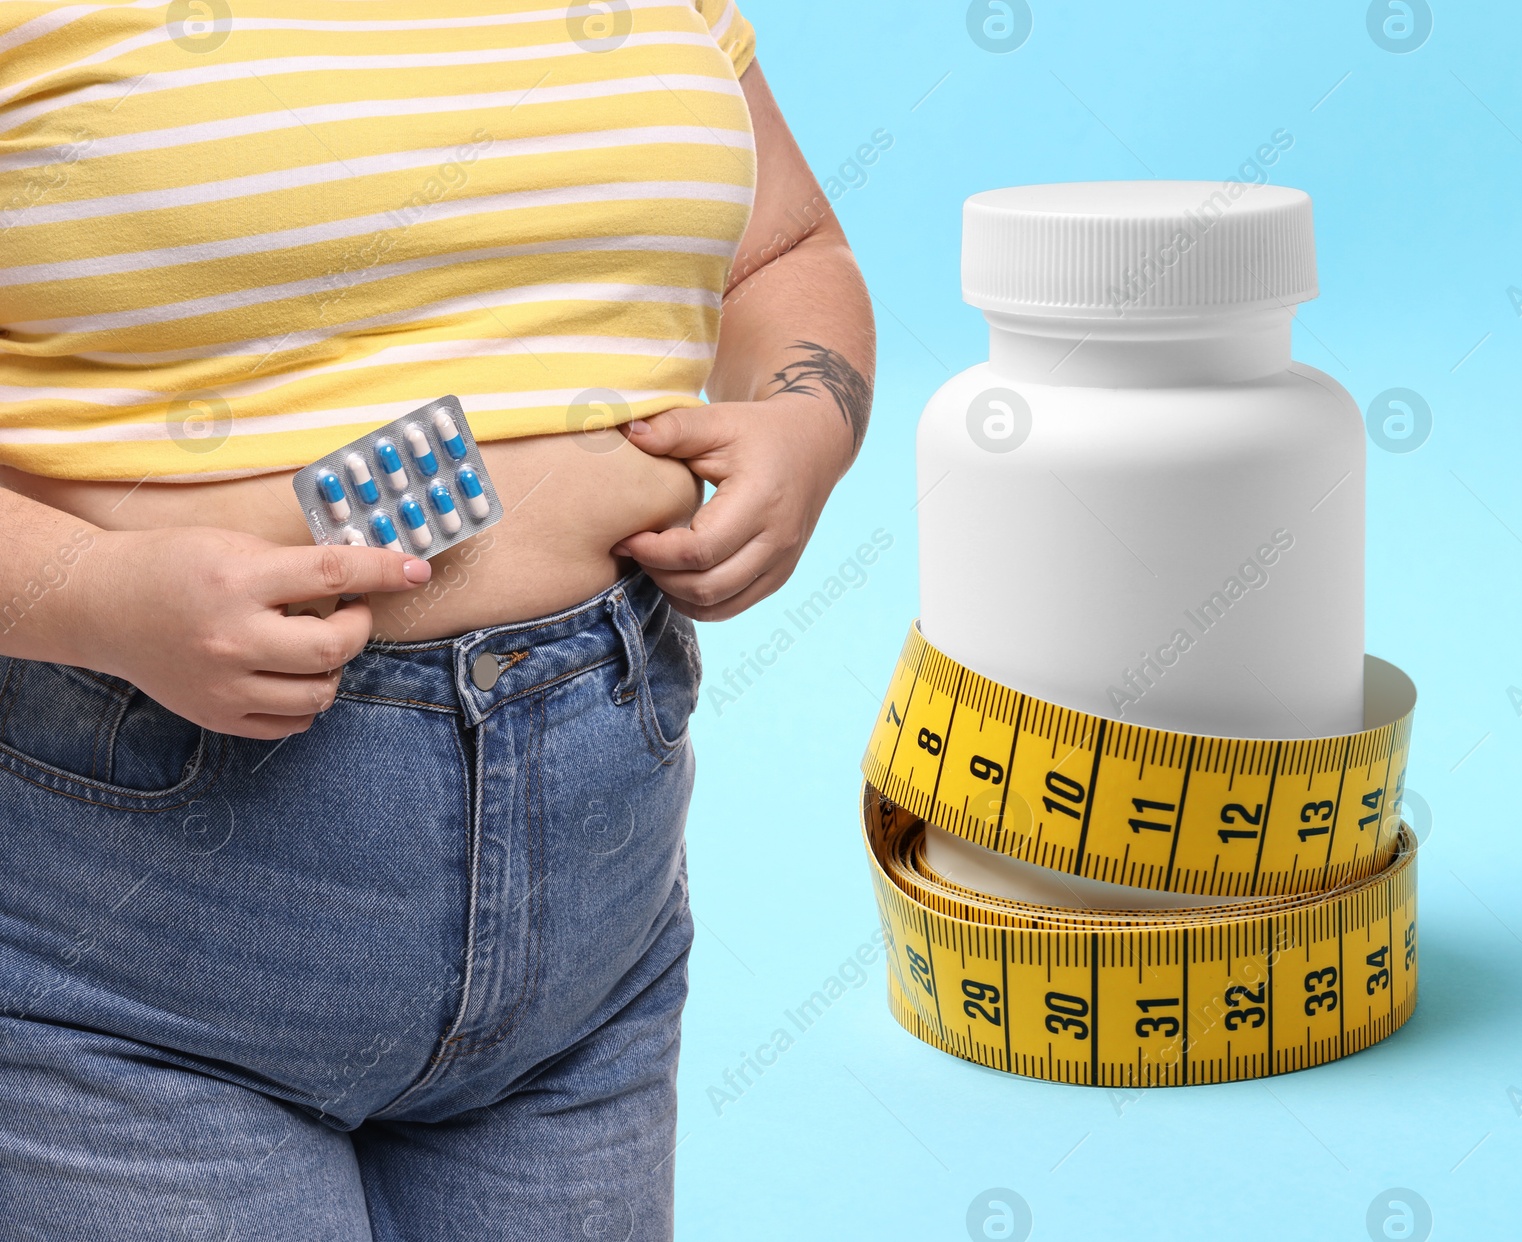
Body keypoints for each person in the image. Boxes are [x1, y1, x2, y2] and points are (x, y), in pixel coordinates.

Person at [0, 3, 873, 1238]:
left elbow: (784, 250)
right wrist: (92, 599)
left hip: (594, 923)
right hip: (133, 943)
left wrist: (807, 420)